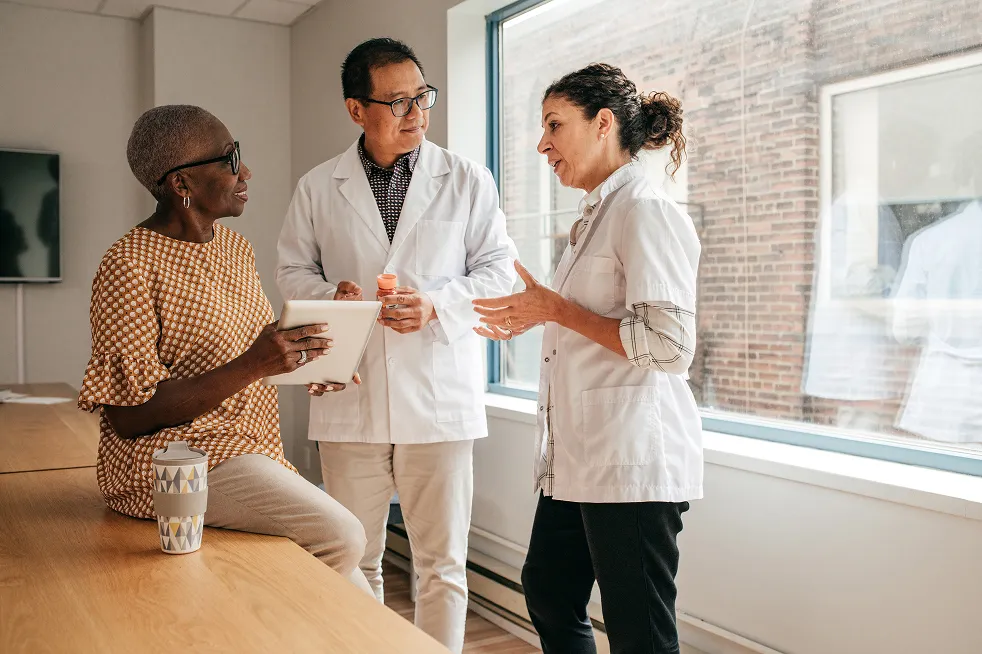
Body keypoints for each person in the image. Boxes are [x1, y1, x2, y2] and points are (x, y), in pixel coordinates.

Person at [276, 38, 517, 653]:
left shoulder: (466, 179)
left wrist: (436, 303)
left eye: (422, 97)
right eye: (398, 101)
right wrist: (335, 293)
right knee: (354, 557)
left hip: (437, 399)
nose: (416, 113)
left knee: (442, 566)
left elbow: (499, 271)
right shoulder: (316, 186)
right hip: (350, 397)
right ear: (357, 109)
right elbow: (291, 273)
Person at [78, 105, 371, 593]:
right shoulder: (127, 264)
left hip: (247, 447)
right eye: (230, 159)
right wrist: (257, 362)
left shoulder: (233, 247)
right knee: (342, 535)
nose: (246, 171)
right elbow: (129, 417)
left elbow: (245, 353)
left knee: (358, 597)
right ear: (182, 183)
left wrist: (312, 352)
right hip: (168, 461)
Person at [473, 63, 701, 654]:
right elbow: (583, 322)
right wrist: (538, 315)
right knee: (548, 589)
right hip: (579, 459)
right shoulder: (596, 214)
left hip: (631, 461)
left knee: (639, 634)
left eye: (554, 124)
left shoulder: (644, 209)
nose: (542, 143)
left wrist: (554, 310)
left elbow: (670, 346)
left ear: (603, 124)